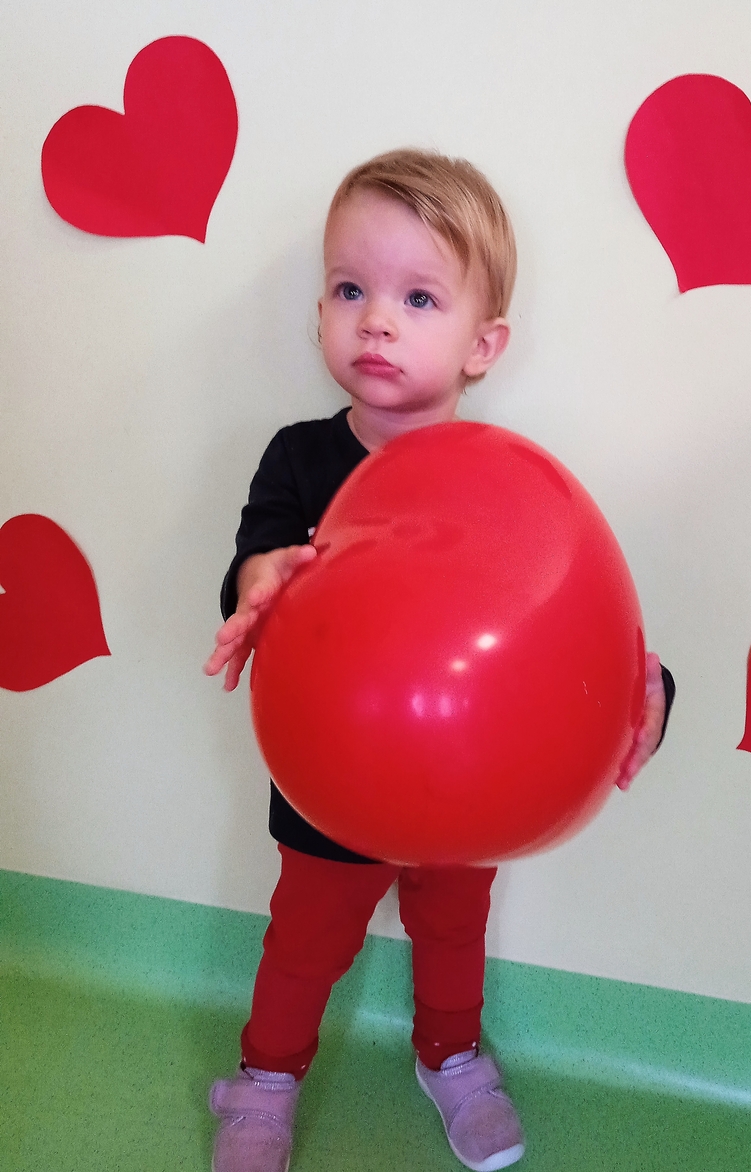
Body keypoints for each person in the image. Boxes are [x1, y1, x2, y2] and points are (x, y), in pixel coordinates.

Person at [204, 148, 674, 1172]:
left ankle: (450, 1057)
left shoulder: (507, 485)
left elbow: (564, 620)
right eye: (350, 290)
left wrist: (644, 688)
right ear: (321, 311)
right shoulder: (298, 457)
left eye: (418, 298)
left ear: (481, 344)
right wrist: (258, 581)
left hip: (470, 792)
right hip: (327, 788)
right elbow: (248, 574)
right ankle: (265, 1077)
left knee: (454, 936)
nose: (376, 320)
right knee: (304, 942)